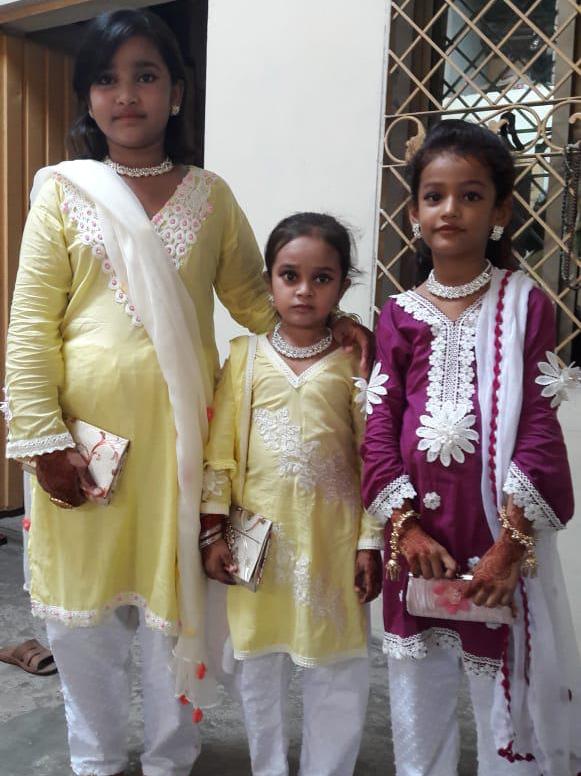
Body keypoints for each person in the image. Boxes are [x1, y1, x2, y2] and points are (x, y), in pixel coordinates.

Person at [2, 11, 371, 776]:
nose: (125, 94)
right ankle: (96, 758)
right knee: (84, 619)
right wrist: (43, 443)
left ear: (176, 92)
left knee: (175, 607)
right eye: (107, 79)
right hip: (85, 449)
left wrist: (330, 326)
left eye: (145, 76)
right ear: (88, 97)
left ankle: (172, 756)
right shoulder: (63, 193)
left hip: (184, 443)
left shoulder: (210, 196)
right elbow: (31, 325)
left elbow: (256, 302)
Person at [360, 120, 581, 775]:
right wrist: (404, 528)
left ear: (500, 211)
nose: (450, 209)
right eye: (433, 196)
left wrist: (510, 544)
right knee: (416, 698)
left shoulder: (524, 305)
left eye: (470, 195)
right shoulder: (398, 313)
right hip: (418, 543)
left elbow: (537, 424)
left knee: (501, 697)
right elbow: (379, 423)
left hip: (495, 540)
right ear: (414, 213)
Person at [200, 213, 383, 776]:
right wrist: (211, 531)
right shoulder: (245, 357)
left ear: (342, 286)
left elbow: (372, 456)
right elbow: (221, 453)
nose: (304, 290)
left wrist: (370, 540)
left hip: (332, 542)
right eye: (290, 276)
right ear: (269, 282)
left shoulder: (355, 362)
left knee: (336, 668)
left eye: (321, 278)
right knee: (258, 668)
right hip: (261, 545)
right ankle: (269, 767)